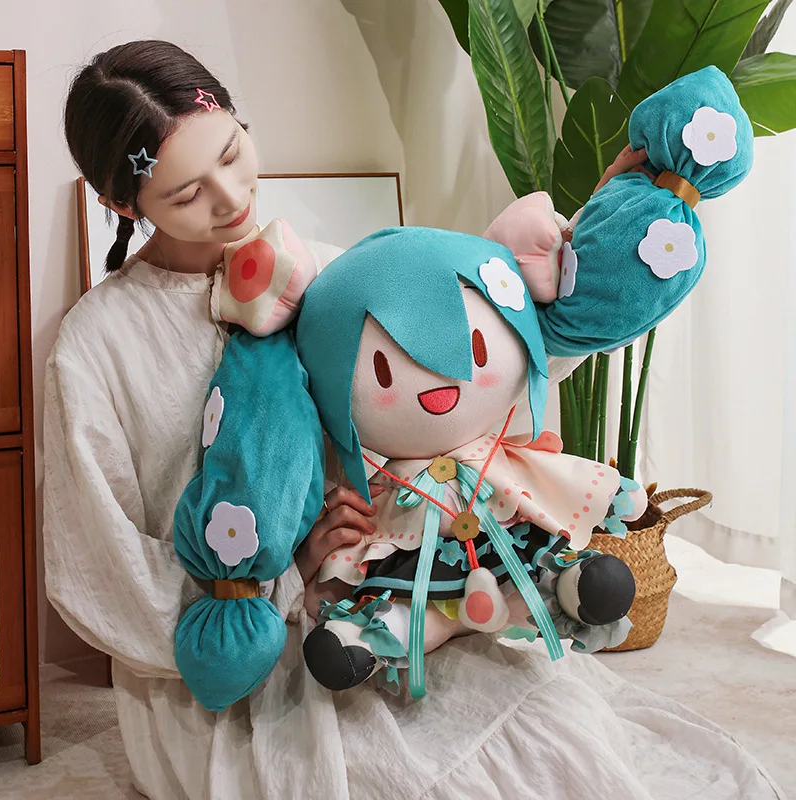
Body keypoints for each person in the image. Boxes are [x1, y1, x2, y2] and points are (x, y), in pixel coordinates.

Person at [43, 39, 780, 800]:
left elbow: (470, 372)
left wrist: (588, 244)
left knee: (557, 738)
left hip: (392, 586)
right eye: (187, 193)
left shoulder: (324, 269)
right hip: (227, 665)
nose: (230, 199)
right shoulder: (99, 344)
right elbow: (97, 570)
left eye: (232, 153)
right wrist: (284, 578)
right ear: (122, 204)